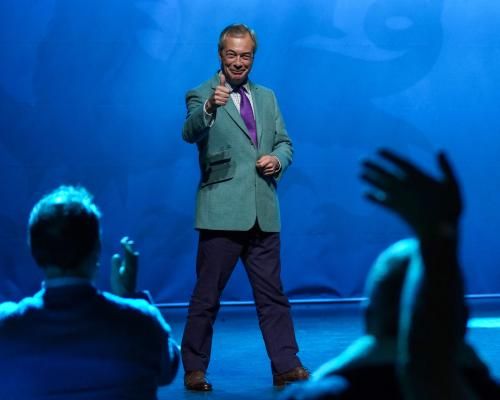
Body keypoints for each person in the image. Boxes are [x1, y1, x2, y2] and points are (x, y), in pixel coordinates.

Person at [181, 23, 308, 391]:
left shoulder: (267, 97)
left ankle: (286, 365)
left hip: (262, 211)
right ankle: (194, 368)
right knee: (207, 297)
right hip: (222, 212)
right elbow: (189, 132)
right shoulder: (201, 93)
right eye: (232, 55)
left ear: (253, 57)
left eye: (245, 55)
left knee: (273, 296)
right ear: (220, 54)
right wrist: (210, 106)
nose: (238, 62)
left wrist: (277, 160)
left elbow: (285, 143)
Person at [0, 186, 179, 400]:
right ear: (97, 249)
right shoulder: (142, 322)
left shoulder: (6, 327)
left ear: (33, 250)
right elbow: (169, 369)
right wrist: (130, 298)